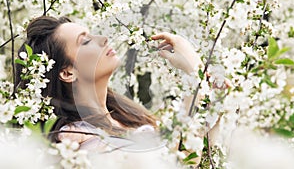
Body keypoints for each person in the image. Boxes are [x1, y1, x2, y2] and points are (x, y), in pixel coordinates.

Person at [15, 16, 201, 149]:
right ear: (67, 72)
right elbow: (176, 161)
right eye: (85, 42)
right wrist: (194, 69)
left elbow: (192, 152)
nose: (103, 39)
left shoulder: (127, 117)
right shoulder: (77, 140)